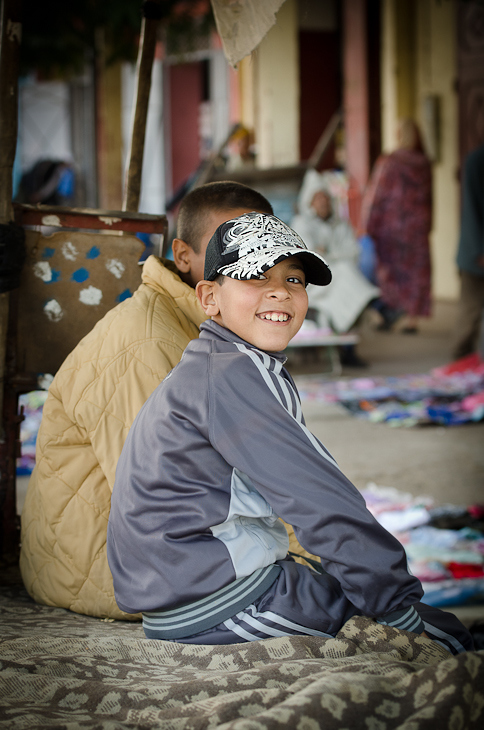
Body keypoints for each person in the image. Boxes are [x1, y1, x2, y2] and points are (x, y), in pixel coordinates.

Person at [107, 212, 472, 653]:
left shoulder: (222, 362)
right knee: (442, 636)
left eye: (294, 279)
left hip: (190, 585)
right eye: (254, 276)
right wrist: (399, 607)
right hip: (216, 601)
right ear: (209, 298)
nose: (279, 290)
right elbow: (319, 500)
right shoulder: (229, 376)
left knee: (343, 586)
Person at [19, 181, 279, 620]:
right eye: (226, 250)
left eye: (261, 253)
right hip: (109, 569)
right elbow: (166, 503)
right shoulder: (149, 344)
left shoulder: (219, 327)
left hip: (154, 549)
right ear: (182, 257)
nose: (246, 266)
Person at [291, 169, 379, 366]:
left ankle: (348, 350)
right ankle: (371, 300)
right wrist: (331, 256)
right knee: (348, 276)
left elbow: (352, 253)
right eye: (318, 198)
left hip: (339, 278)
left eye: (325, 198)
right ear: (310, 201)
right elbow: (308, 258)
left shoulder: (341, 224)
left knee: (348, 277)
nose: (323, 203)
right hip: (315, 283)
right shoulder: (301, 224)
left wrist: (328, 254)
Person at [362, 118, 433, 333]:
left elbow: (377, 194)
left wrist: (368, 224)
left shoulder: (390, 162)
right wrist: (429, 223)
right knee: (416, 273)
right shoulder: (424, 163)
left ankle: (390, 314)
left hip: (391, 226)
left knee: (390, 271)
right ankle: (412, 320)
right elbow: (430, 198)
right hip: (417, 227)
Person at [451, 143, 484, 360]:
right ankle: (462, 361)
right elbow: (471, 210)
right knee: (470, 314)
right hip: (476, 255)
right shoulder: (476, 162)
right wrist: (478, 250)